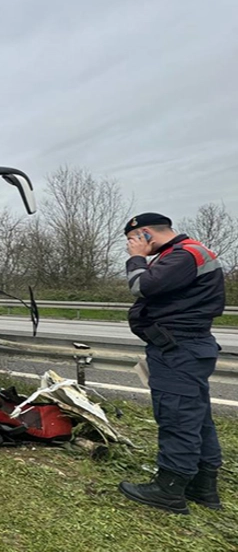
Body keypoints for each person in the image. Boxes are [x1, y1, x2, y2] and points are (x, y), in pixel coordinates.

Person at [118, 213, 226, 514]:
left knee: (177, 417)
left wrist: (136, 259)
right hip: (186, 348)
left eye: (131, 240)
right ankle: (203, 487)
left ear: (145, 234)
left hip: (178, 349)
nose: (129, 247)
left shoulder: (184, 254)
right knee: (197, 418)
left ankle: (168, 490)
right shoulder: (187, 253)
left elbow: (143, 287)